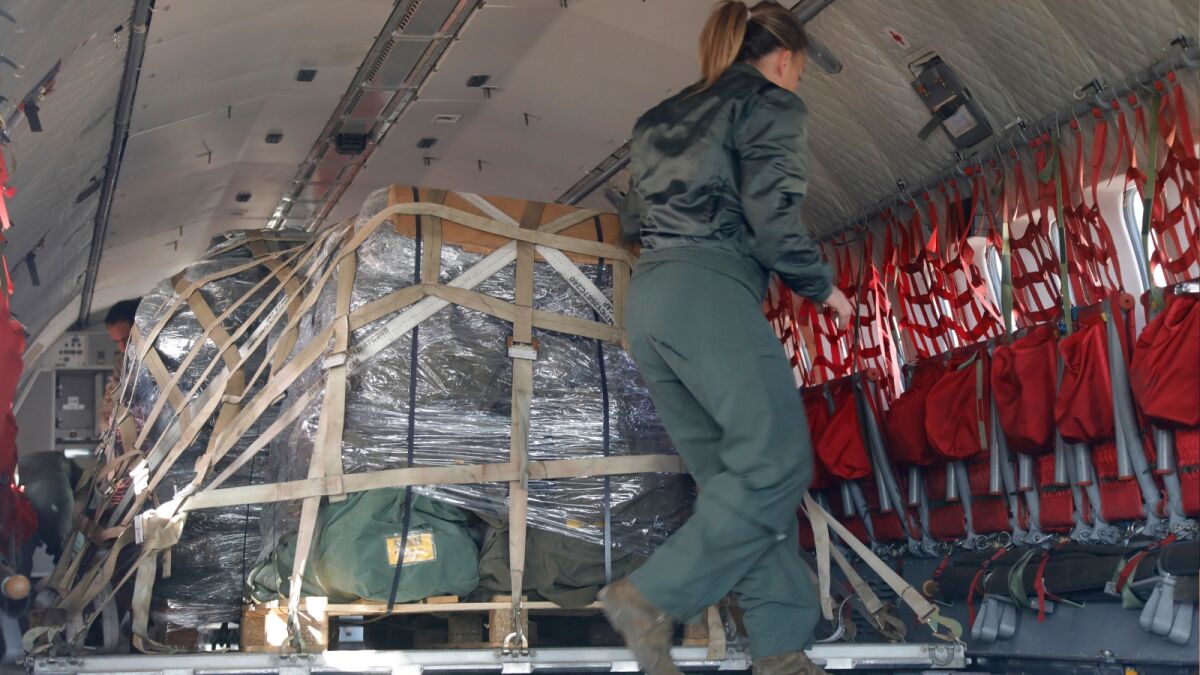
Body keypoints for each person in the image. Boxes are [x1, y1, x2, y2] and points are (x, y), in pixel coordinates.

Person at [598, 3, 852, 675]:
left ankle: (779, 650)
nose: (795, 82)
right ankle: (651, 598)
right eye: (798, 72)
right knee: (776, 462)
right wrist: (821, 286)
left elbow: (631, 222)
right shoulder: (770, 103)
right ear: (784, 60)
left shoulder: (658, 117)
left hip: (651, 300)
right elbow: (772, 217)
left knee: (738, 486)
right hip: (708, 293)